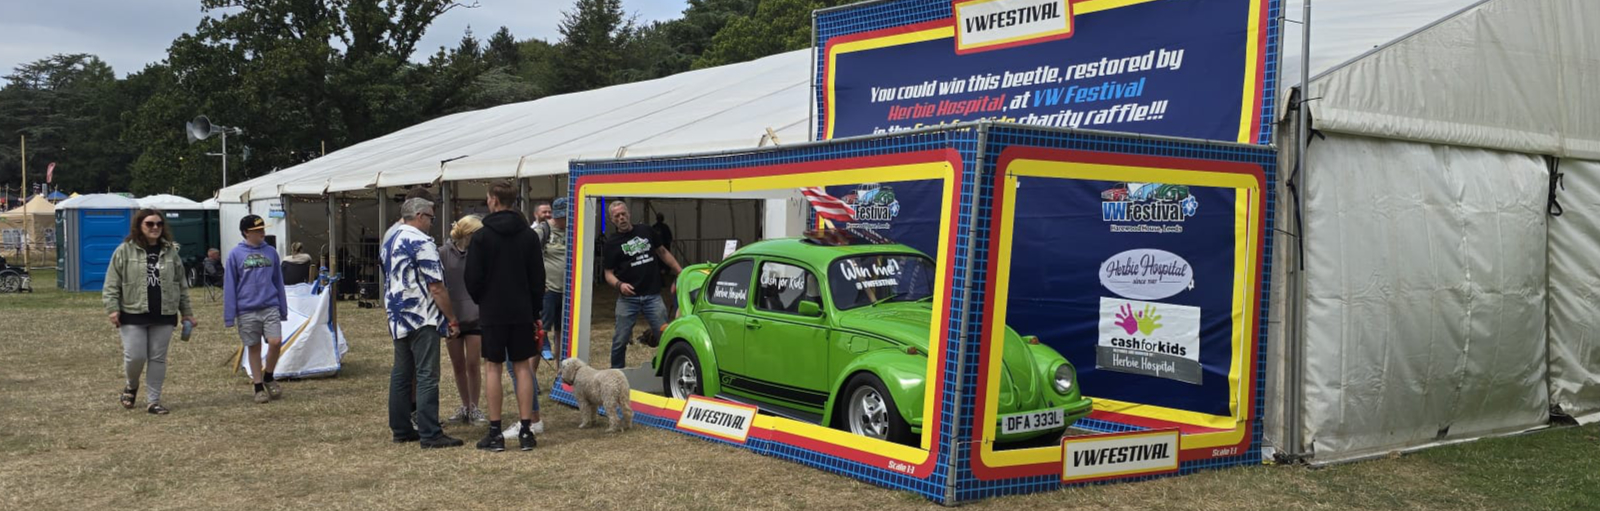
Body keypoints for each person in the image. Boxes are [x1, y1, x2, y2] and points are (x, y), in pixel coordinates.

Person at [465, 180, 545, 451]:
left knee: (493, 368)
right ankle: (526, 430)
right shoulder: (529, 236)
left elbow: (472, 278)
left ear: (494, 201)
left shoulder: (482, 237)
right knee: (522, 367)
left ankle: (495, 431)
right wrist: (535, 310)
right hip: (522, 309)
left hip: (493, 310)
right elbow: (538, 278)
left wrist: (483, 300)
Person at [380, 197, 464, 449]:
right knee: (427, 374)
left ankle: (401, 428)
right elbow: (436, 286)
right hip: (421, 314)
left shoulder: (390, 240)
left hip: (398, 313)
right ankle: (430, 432)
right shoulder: (421, 241)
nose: (431, 223)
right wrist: (451, 318)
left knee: (402, 373)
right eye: (430, 218)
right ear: (419, 215)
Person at [103, 209, 197, 415]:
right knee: (135, 356)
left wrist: (187, 313)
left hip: (164, 313)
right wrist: (112, 309)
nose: (155, 227)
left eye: (159, 224)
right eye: (150, 224)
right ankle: (131, 385)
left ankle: (153, 401)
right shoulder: (124, 251)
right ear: (139, 226)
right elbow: (111, 283)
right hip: (132, 312)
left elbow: (180, 284)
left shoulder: (171, 251)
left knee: (158, 358)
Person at [603, 200, 682, 369]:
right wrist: (619, 285)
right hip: (627, 299)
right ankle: (617, 374)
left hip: (652, 296)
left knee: (665, 335)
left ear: (629, 214)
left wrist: (680, 272)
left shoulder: (646, 230)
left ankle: (668, 370)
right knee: (620, 340)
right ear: (612, 220)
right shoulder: (611, 244)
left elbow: (662, 252)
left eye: (623, 214)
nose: (621, 218)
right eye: (617, 216)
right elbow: (608, 274)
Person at [223, 215, 290, 404]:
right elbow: (230, 285)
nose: (262, 233)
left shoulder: (271, 252)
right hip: (246, 309)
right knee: (254, 347)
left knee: (275, 342)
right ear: (246, 233)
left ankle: (269, 375)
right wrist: (230, 315)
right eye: (257, 230)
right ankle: (258, 386)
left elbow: (278, 281)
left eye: (263, 229)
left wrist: (282, 309)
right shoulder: (235, 255)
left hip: (270, 306)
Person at [440, 215, 488, 426]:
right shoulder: (442, 254)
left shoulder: (482, 254)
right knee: (458, 364)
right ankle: (465, 404)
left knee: (473, 364)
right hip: (452, 316)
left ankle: (475, 406)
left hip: (476, 316)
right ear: (469, 234)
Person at [537, 197, 569, 361]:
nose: (564, 221)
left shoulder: (572, 230)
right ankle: (531, 378)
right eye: (561, 217)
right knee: (543, 328)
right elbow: (530, 256)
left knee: (562, 332)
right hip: (548, 288)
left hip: (567, 290)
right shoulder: (543, 230)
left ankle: (560, 372)